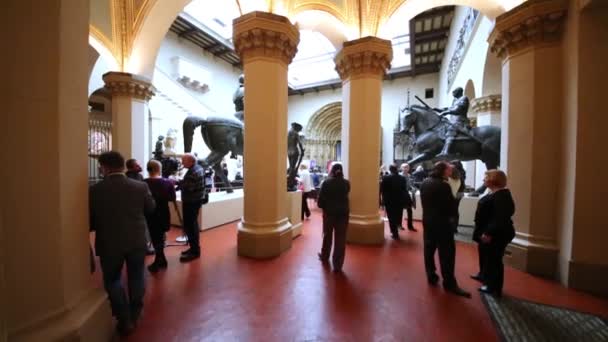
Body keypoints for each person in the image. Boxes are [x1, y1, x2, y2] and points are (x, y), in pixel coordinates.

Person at [89, 151, 156, 335]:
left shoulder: (94, 190)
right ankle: (135, 313)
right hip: (136, 239)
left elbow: (90, 221)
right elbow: (150, 209)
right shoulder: (140, 186)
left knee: (112, 280)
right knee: (136, 276)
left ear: (104, 167)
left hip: (109, 242)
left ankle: (124, 318)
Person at [420, 161, 470, 298]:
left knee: (429, 250)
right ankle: (449, 283)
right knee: (447, 254)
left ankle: (431, 275)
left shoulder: (425, 182)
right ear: (443, 171)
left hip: (428, 222)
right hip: (442, 224)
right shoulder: (443, 186)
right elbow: (451, 207)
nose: (450, 172)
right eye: (448, 170)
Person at [472, 170, 515, 297]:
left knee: (494, 259)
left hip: (496, 234)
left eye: (485, 177)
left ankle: (493, 286)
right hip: (487, 231)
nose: (483, 180)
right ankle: (484, 275)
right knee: (485, 255)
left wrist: (488, 233)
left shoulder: (501, 196)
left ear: (493, 180)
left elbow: (500, 218)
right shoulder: (496, 193)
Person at [317, 163, 350, 273]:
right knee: (340, 239)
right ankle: (338, 264)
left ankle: (325, 255)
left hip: (329, 214)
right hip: (343, 215)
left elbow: (320, 201)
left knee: (327, 235)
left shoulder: (326, 183)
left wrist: (324, 207)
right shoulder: (346, 183)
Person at [144, 160, 176, 273]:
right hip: (163, 212)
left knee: (155, 236)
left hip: (150, 213)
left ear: (148, 169)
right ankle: (161, 259)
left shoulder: (144, 183)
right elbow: (172, 198)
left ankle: (159, 260)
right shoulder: (168, 182)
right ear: (159, 169)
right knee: (160, 236)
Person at [177, 153, 207, 262]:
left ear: (191, 161)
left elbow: (189, 187)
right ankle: (193, 248)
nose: (182, 163)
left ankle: (194, 251)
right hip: (194, 201)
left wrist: (177, 183)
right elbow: (188, 184)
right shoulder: (198, 168)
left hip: (191, 202)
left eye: (183, 161)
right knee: (191, 225)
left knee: (190, 226)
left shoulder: (193, 171)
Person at [435, 87, 470, 157]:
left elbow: (458, 110)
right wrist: (438, 110)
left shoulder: (463, 98)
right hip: (453, 120)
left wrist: (446, 113)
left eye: (454, 92)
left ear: (459, 92)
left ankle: (446, 151)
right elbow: (449, 108)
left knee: (451, 130)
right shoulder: (455, 100)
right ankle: (443, 149)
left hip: (460, 120)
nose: (453, 93)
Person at [381, 164, 409, 240]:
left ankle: (394, 233)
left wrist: (382, 201)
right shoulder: (402, 178)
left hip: (389, 200)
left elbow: (383, 190)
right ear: (397, 169)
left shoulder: (386, 178)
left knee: (391, 217)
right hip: (399, 200)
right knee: (398, 215)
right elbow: (404, 189)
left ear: (390, 170)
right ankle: (396, 229)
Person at [287, 122, 305, 191]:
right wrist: (302, 150)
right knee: (292, 168)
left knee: (291, 167)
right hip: (294, 151)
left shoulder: (288, 133)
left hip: (289, 152)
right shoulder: (295, 133)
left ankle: (289, 183)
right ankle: (290, 183)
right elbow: (299, 143)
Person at [400, 163, 417, 232]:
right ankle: (399, 225)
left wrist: (413, 188)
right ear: (401, 168)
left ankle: (410, 226)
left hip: (406, 194)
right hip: (400, 195)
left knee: (409, 210)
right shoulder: (399, 176)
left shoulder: (409, 175)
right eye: (404, 167)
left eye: (407, 167)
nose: (406, 168)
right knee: (400, 211)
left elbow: (410, 186)